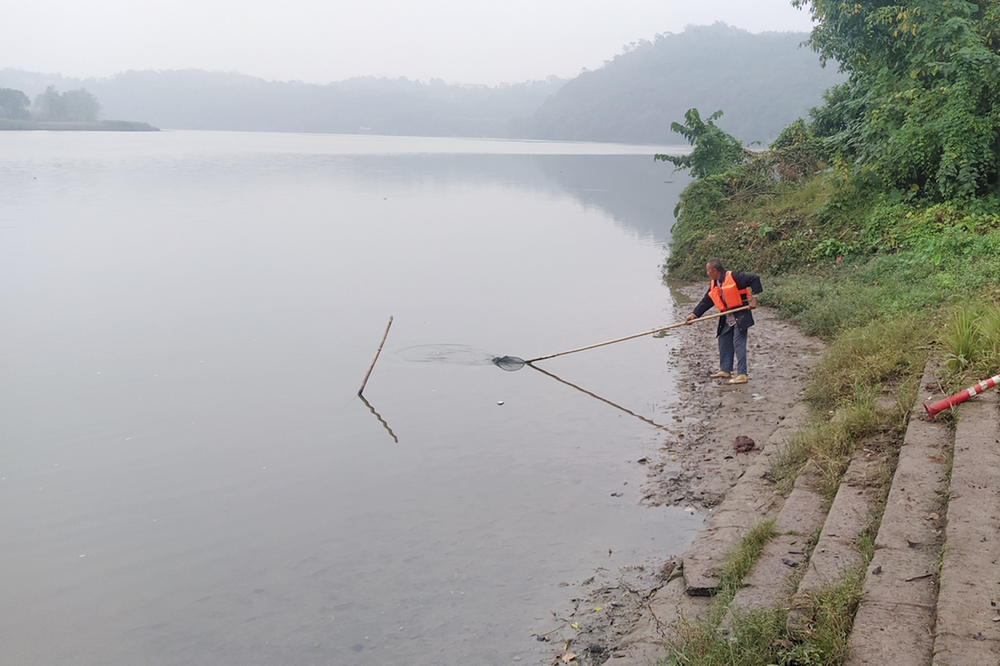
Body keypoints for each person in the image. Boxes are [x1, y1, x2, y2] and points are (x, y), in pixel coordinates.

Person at [684, 258, 762, 384]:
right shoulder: (715, 283)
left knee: (738, 343)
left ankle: (742, 374)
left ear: (715, 270)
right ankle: (725, 369)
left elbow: (755, 279)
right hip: (727, 316)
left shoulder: (735, 277)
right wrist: (694, 314)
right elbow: (706, 301)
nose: (707, 273)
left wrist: (755, 299)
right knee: (724, 339)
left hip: (740, 314)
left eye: (708, 270)